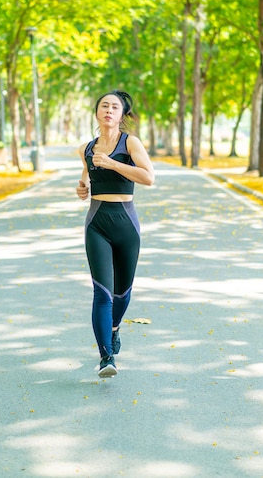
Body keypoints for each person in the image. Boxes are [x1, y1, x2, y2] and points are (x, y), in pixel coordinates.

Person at [76, 90, 155, 377]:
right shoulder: (86, 149)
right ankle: (106, 357)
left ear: (122, 115)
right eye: (104, 106)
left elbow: (148, 177)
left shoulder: (130, 143)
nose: (109, 110)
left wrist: (113, 163)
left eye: (115, 107)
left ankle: (114, 327)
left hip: (126, 223)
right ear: (97, 112)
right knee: (102, 293)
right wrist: (82, 188)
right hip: (97, 222)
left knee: (122, 294)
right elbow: (85, 179)